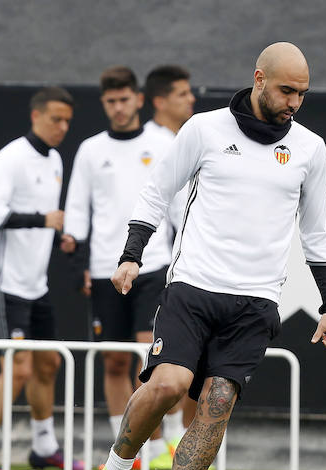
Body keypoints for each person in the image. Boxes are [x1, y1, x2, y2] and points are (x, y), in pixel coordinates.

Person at [73, 42, 326, 470]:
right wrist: (132, 253)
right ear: (259, 79)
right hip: (194, 285)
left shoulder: (310, 148)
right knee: (169, 385)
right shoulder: (204, 129)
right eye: (287, 90)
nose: (295, 103)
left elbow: (317, 233)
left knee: (216, 403)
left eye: (303, 94)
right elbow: (157, 192)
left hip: (258, 300)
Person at [60, 66, 181, 470]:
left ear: (139, 99)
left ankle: (157, 444)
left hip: (154, 263)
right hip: (103, 268)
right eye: (110, 101)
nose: (118, 107)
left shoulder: (163, 142)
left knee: (150, 356)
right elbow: (77, 207)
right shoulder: (92, 149)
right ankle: (123, 448)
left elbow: (180, 202)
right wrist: (79, 261)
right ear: (104, 104)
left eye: (124, 99)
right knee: (113, 360)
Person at [0, 87, 84, 470]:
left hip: (37, 287)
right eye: (55, 119)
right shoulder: (11, 157)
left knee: (49, 363)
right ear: (35, 117)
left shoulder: (54, 160)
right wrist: (41, 219)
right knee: (18, 369)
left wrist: (59, 235)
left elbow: (45, 220)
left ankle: (44, 447)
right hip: (2, 285)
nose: (62, 127)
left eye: (67, 120)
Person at [143, 64, 198, 446]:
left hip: (174, 264)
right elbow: (170, 208)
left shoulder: (186, 138)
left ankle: (173, 439)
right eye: (182, 93)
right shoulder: (156, 145)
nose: (192, 99)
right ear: (160, 101)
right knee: (152, 359)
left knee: (182, 360)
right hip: (154, 264)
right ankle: (151, 444)